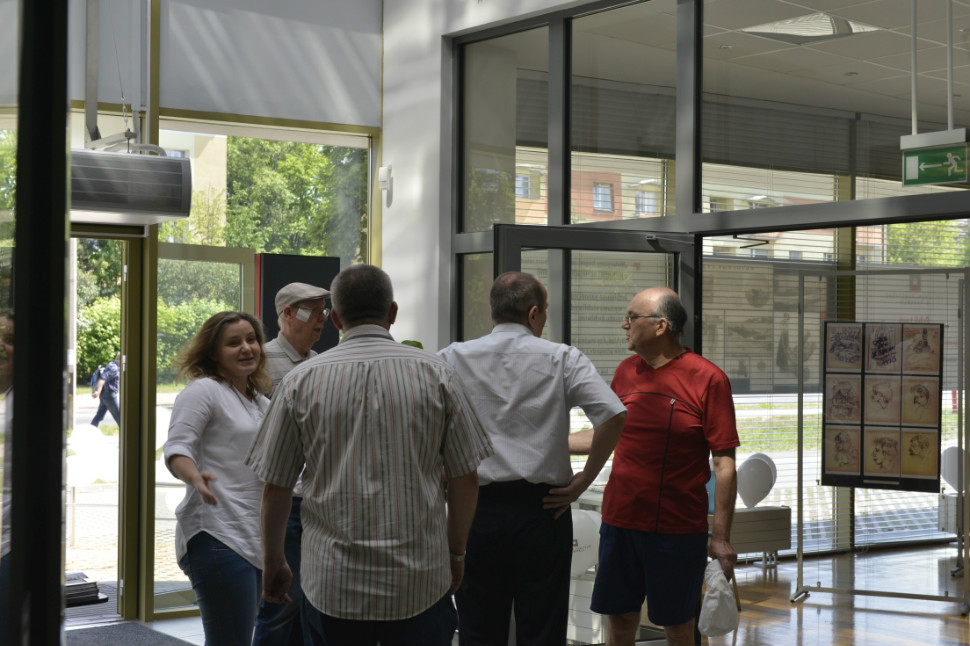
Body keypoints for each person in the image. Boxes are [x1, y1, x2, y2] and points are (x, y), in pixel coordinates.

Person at [247, 264, 493, 646]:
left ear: (336, 319)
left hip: (332, 584)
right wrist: (456, 553)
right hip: (420, 581)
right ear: (392, 312)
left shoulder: (300, 381)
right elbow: (466, 477)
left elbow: (275, 486)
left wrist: (274, 560)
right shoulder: (438, 375)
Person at [438, 271, 627, 646]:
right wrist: (583, 481)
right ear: (534, 313)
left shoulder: (453, 357)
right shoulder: (562, 358)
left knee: (478, 626)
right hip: (543, 510)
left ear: (493, 311)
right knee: (542, 629)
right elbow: (613, 415)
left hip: (476, 508)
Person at [576, 287, 739, 646]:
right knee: (619, 621)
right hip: (620, 522)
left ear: (661, 325)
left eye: (631, 317)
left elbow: (724, 464)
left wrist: (721, 537)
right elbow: (604, 435)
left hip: (676, 530)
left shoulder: (708, 378)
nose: (624, 325)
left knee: (679, 627)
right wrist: (544, 440)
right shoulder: (625, 372)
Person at [163, 311, 272, 646]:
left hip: (254, 537)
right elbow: (178, 448)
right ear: (213, 352)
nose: (246, 348)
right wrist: (194, 476)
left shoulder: (260, 402)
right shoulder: (203, 391)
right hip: (216, 534)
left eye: (251, 340)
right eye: (233, 343)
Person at [253, 281, 330, 646]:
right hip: (283, 500)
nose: (322, 319)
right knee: (281, 604)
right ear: (287, 313)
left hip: (316, 500)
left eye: (324, 311)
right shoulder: (261, 363)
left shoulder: (320, 362)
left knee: (309, 604)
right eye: (313, 311)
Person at [90, 353, 121, 427]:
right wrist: (98, 392)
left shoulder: (112, 365)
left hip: (105, 395)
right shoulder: (114, 368)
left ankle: (91, 430)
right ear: (120, 360)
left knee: (99, 416)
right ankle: (127, 433)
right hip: (109, 395)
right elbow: (102, 379)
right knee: (120, 417)